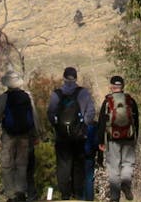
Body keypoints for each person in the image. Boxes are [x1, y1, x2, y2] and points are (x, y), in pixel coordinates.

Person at [0, 69, 39, 202]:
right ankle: (21, 192)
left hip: (8, 135)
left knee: (7, 165)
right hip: (25, 135)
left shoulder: (3, 98)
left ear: (7, 84)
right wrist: (36, 134)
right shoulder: (27, 96)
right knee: (22, 164)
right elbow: (34, 117)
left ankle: (10, 193)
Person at [47, 66, 95, 199]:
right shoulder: (83, 93)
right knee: (78, 164)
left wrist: (57, 126)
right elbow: (91, 112)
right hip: (79, 136)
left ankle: (64, 194)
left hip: (61, 136)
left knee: (63, 165)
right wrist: (83, 125)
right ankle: (77, 193)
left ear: (63, 78)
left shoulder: (56, 94)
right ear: (76, 78)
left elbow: (50, 113)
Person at [98, 74, 139, 202]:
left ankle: (115, 197)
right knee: (128, 163)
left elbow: (101, 123)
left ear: (111, 87)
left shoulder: (107, 102)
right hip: (128, 137)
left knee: (113, 168)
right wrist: (135, 137)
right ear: (123, 86)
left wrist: (100, 141)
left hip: (112, 138)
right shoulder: (130, 101)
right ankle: (126, 184)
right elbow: (136, 121)